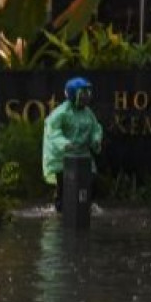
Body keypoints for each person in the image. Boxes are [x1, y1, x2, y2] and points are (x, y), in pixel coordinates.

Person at [42, 77, 104, 212]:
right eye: (83, 93)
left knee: (90, 182)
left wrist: (96, 139)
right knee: (64, 187)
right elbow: (52, 131)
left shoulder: (88, 113)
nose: (87, 96)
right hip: (64, 158)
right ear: (73, 94)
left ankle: (85, 208)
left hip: (83, 156)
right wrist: (64, 144)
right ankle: (59, 211)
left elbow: (96, 128)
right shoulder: (61, 113)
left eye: (88, 92)